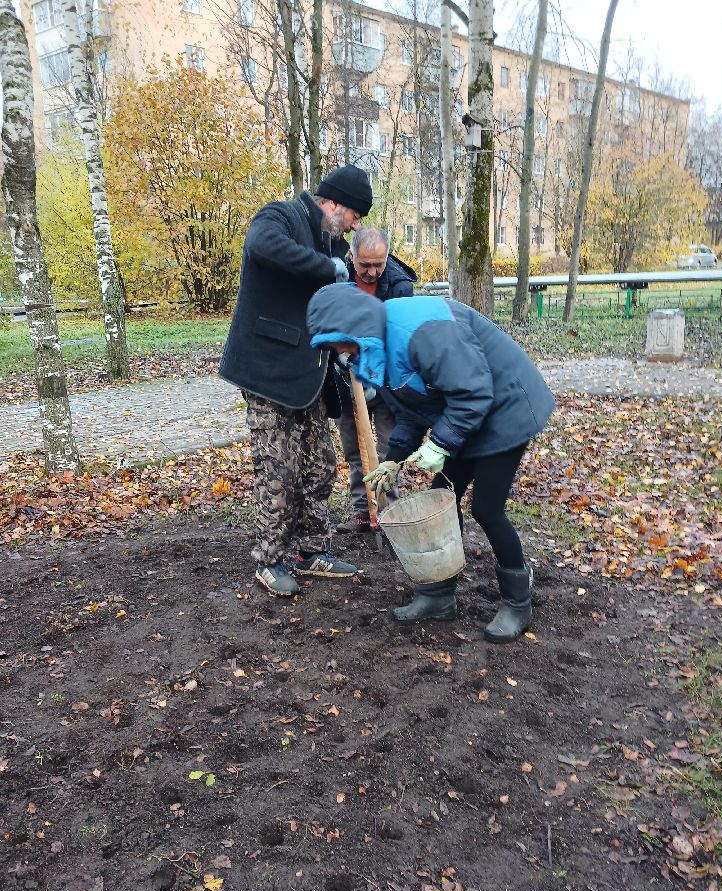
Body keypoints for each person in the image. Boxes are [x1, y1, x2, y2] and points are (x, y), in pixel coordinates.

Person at [306, 284, 556, 642]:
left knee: (487, 509)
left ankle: (518, 602)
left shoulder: (420, 332)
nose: (338, 352)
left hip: (507, 407)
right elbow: (413, 411)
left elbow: (473, 392)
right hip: (466, 412)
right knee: (443, 498)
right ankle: (438, 596)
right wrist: (393, 461)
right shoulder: (375, 348)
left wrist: (440, 444)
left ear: (351, 327)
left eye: (336, 342)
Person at [219, 165, 374, 597]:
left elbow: (329, 304)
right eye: (355, 214)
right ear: (334, 203)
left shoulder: (334, 242)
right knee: (278, 470)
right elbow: (261, 246)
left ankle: (308, 550)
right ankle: (270, 559)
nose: (355, 224)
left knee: (320, 466)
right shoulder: (281, 216)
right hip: (268, 369)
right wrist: (328, 267)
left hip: (309, 376)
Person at [335, 227, 417, 533]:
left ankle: (388, 510)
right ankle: (362, 510)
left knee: (388, 448)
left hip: (388, 383)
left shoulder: (400, 285)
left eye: (378, 264)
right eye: (364, 265)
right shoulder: (335, 278)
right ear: (351, 256)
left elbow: (402, 337)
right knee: (355, 448)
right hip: (346, 380)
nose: (371, 272)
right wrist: (343, 361)